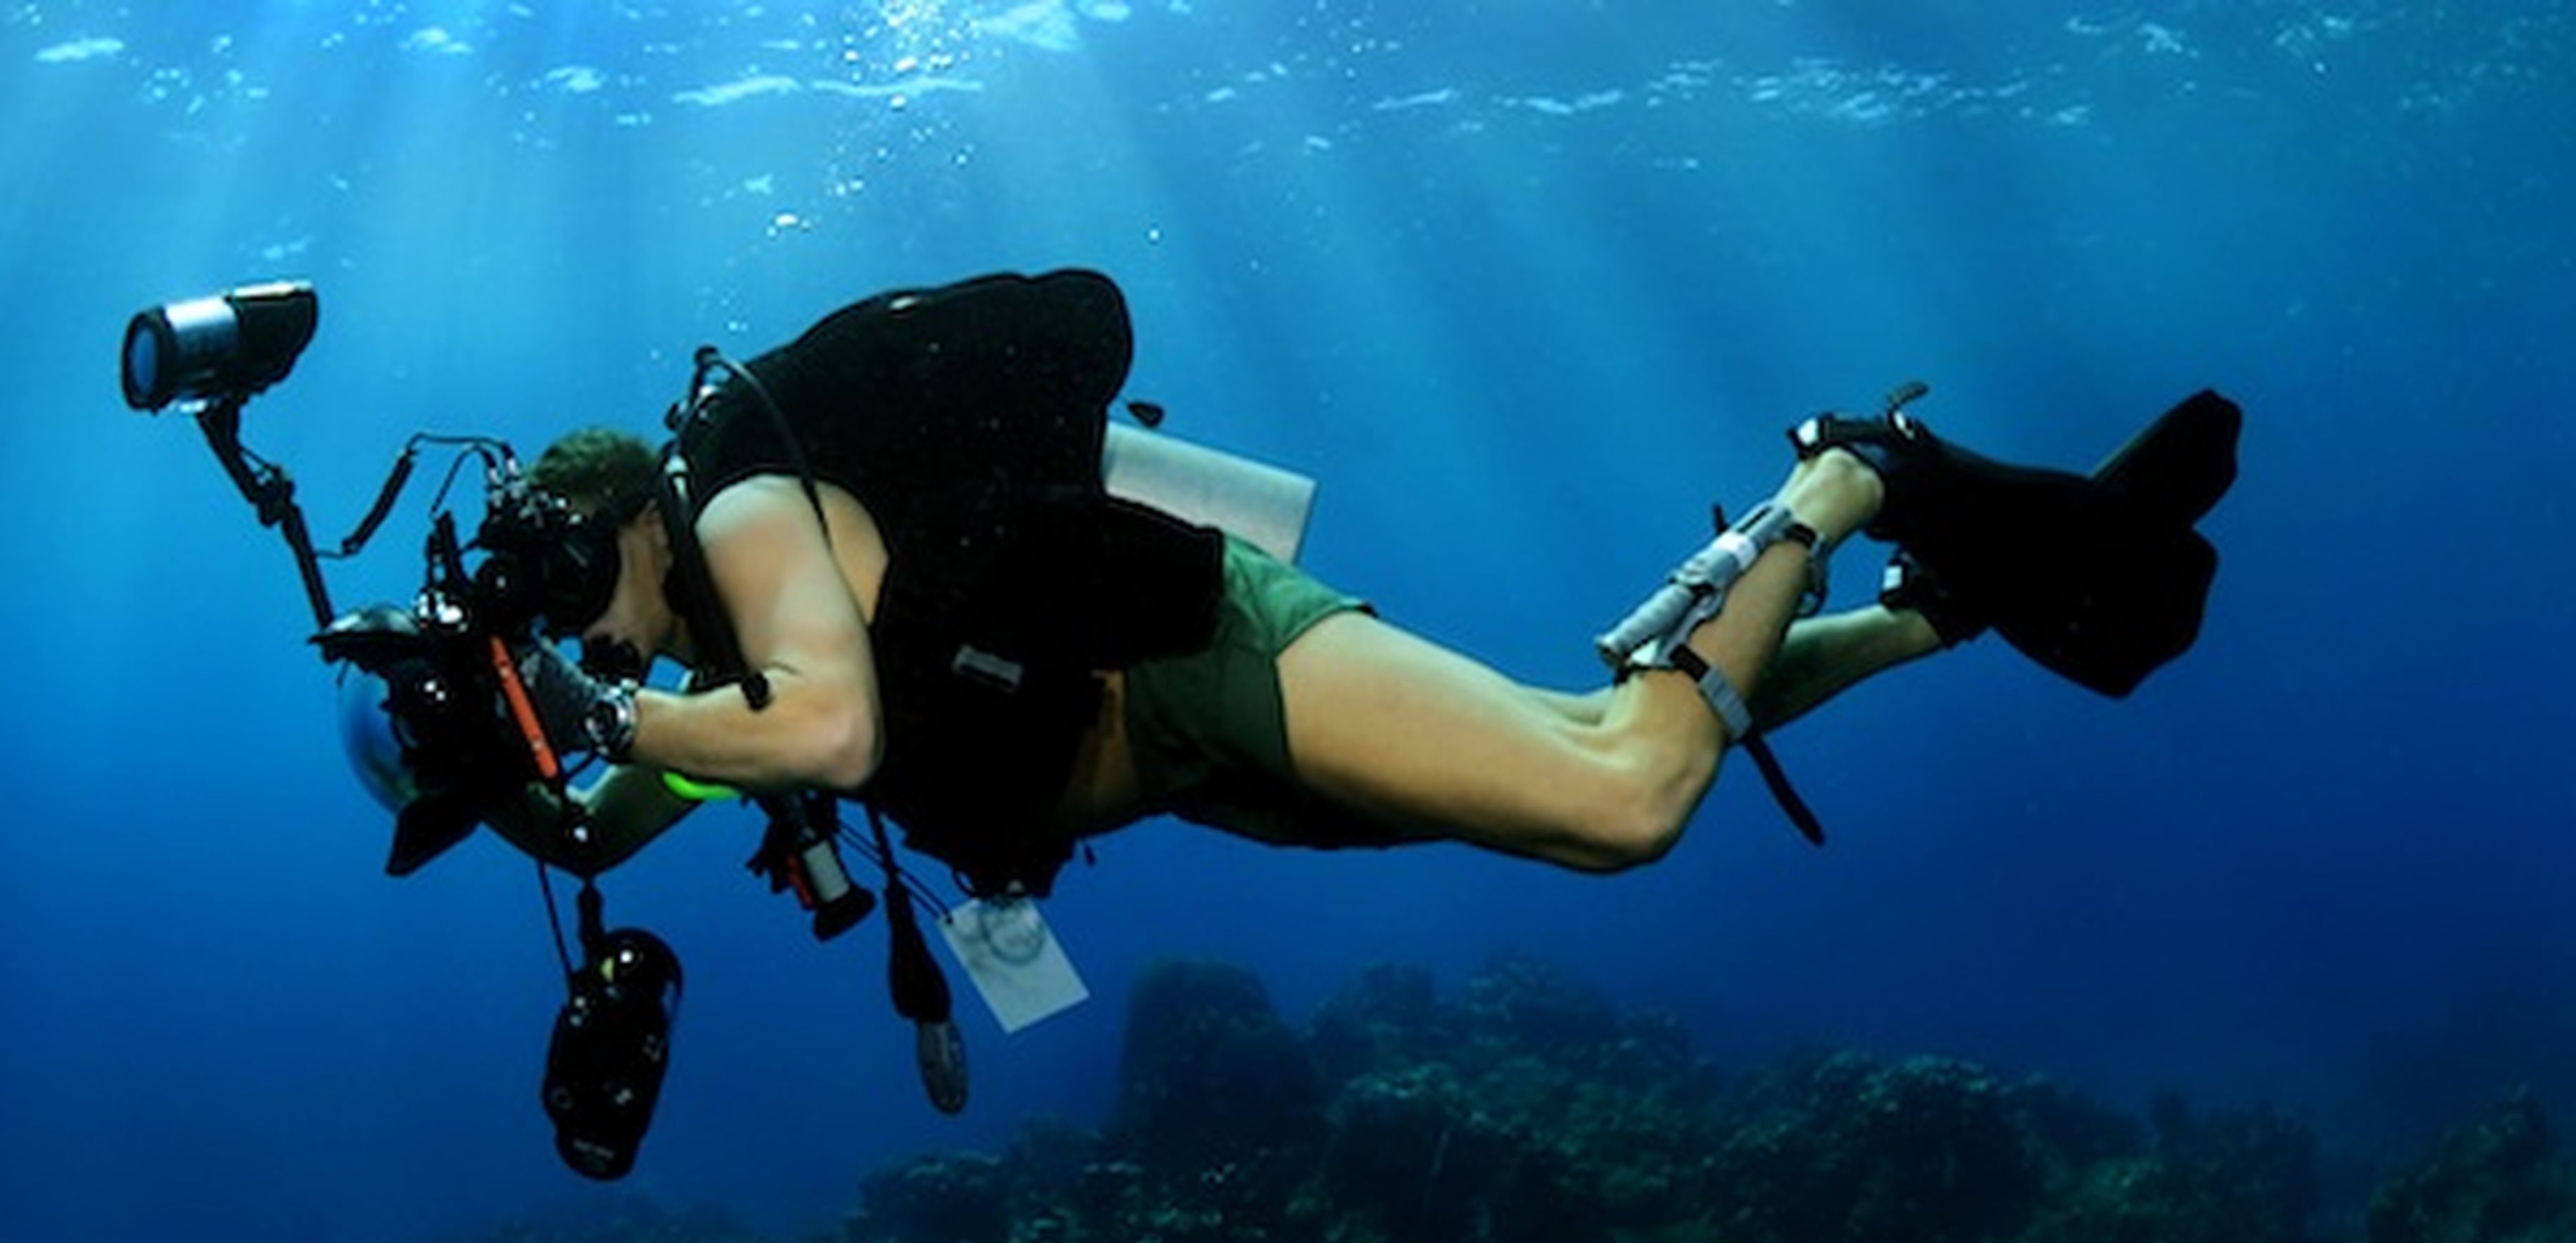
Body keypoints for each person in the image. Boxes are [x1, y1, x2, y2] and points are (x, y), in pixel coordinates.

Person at [484, 269, 2239, 895]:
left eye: (577, 588)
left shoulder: (733, 513)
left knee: (1616, 804)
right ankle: (1941, 608)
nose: (582, 627)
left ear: (630, 514)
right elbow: (640, 794)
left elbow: (841, 725)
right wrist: (524, 758)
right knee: (1578, 735)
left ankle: (1842, 476)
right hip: (1175, 765)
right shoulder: (703, 671)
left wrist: (596, 699)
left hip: (1184, 658)